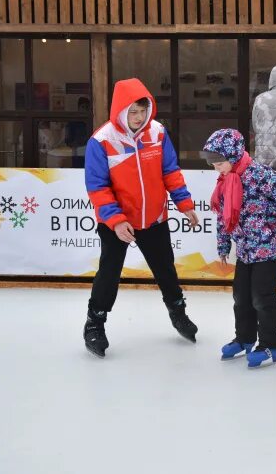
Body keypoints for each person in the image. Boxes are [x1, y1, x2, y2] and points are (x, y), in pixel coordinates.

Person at [83, 78, 199, 358]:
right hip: (118, 222)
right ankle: (94, 324)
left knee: (166, 270)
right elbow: (97, 187)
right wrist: (116, 220)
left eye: (142, 111)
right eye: (132, 112)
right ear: (120, 111)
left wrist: (184, 203)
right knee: (109, 273)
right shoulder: (102, 141)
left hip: (154, 218)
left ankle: (178, 312)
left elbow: (170, 170)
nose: (138, 118)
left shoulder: (157, 133)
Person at [204, 128, 276, 368]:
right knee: (241, 297)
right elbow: (222, 215)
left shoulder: (260, 175)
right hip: (246, 249)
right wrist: (224, 245)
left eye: (219, 161)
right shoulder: (226, 180)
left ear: (234, 155)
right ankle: (245, 338)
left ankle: (270, 344)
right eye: (211, 161)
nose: (215, 166)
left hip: (270, 247)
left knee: (262, 297)